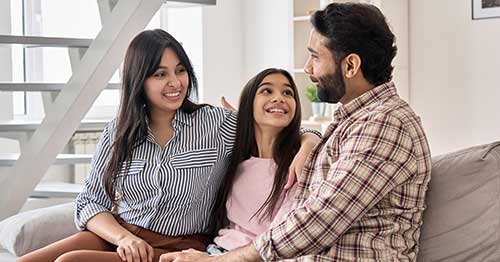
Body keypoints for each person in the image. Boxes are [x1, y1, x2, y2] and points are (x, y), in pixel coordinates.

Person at [160, 3, 432, 262]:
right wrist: (307, 137)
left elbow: (323, 217)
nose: (308, 68)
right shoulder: (355, 122)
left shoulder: (385, 123)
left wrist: (223, 259)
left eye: (315, 56)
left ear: (350, 66)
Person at [17, 30, 319, 262]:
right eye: (161, 74)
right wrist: (123, 238)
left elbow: (280, 125)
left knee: (71, 261)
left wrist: (308, 144)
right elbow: (90, 202)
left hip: (180, 244)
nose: (175, 82)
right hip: (123, 234)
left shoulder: (216, 123)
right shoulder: (118, 132)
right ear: (140, 80)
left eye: (181, 71)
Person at [205, 68, 303, 255]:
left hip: (260, 256)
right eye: (267, 90)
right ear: (249, 104)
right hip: (218, 250)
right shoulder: (232, 158)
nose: (279, 98)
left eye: (287, 92)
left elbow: (286, 235)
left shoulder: (298, 164)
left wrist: (308, 143)